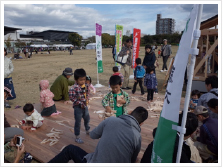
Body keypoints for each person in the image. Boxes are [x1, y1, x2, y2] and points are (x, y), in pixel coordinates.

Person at [48, 106, 148, 163]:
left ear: (130, 112)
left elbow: (93, 135)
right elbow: (132, 160)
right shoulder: (137, 137)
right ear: (141, 123)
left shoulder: (111, 120)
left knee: (70, 149)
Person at [69, 69, 90, 144]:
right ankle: (77, 136)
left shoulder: (86, 85)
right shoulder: (73, 88)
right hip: (78, 108)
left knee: (87, 118)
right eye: (81, 80)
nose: (83, 81)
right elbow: (72, 98)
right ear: (75, 79)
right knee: (78, 122)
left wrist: (87, 99)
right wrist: (79, 103)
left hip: (85, 106)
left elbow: (87, 93)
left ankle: (88, 130)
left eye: (84, 79)